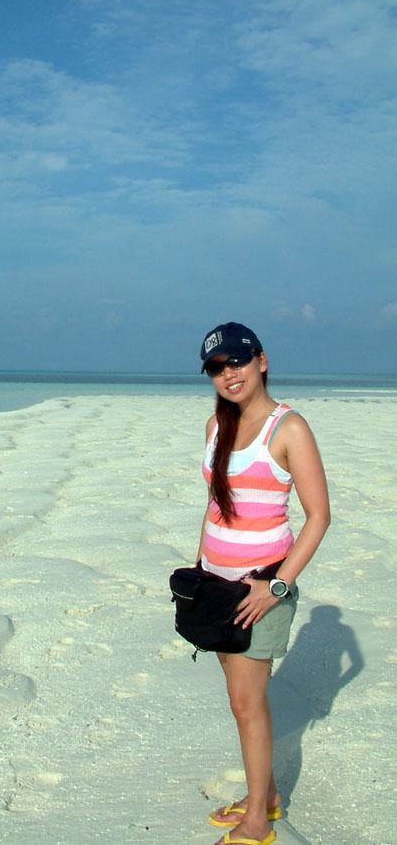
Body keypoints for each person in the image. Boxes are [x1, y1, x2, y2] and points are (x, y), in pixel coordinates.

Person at [196, 322, 330, 845]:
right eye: (216, 367)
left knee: (247, 702)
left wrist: (275, 588)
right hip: (216, 585)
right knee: (240, 697)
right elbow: (214, 505)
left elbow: (318, 517)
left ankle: (258, 820)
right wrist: (198, 572)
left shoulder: (289, 428)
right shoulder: (214, 427)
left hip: (260, 591)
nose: (228, 373)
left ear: (261, 361)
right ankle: (266, 795)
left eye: (237, 361)